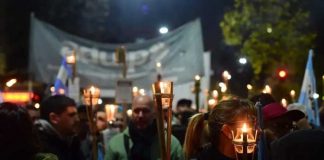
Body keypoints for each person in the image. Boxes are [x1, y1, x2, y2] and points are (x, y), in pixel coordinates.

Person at [105, 95, 184, 160]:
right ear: (132, 113)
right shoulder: (117, 143)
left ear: (154, 114)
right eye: (136, 111)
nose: (140, 115)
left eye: (145, 111)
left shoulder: (169, 144)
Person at [35, 95, 85, 160]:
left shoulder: (71, 141)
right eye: (71, 115)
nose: (77, 120)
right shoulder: (39, 145)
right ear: (54, 118)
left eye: (76, 114)